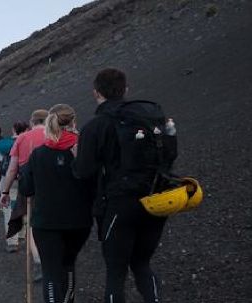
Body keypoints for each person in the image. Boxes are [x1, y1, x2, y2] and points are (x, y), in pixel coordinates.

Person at [73, 68, 175, 303]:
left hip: (119, 205)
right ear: (126, 90)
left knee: (116, 273)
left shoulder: (96, 126)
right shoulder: (151, 119)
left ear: (96, 93)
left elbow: (83, 171)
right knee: (142, 263)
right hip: (155, 200)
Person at [19, 104, 93, 303]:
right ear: (73, 122)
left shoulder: (38, 154)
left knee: (50, 271)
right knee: (68, 265)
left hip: (46, 223)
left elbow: (26, 189)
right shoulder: (83, 151)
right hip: (79, 222)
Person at [0, 109, 49, 280]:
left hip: (30, 187)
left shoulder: (22, 138)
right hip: (56, 185)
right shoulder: (56, 134)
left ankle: (40, 262)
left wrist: (5, 191)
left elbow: (12, 168)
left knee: (33, 226)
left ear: (32, 122)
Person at [0, 121, 29, 252]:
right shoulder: (29, 142)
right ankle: (22, 235)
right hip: (26, 179)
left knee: (8, 208)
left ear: (13, 130)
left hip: (7, 179)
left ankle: (12, 242)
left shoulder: (4, 145)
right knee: (24, 205)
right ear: (26, 129)